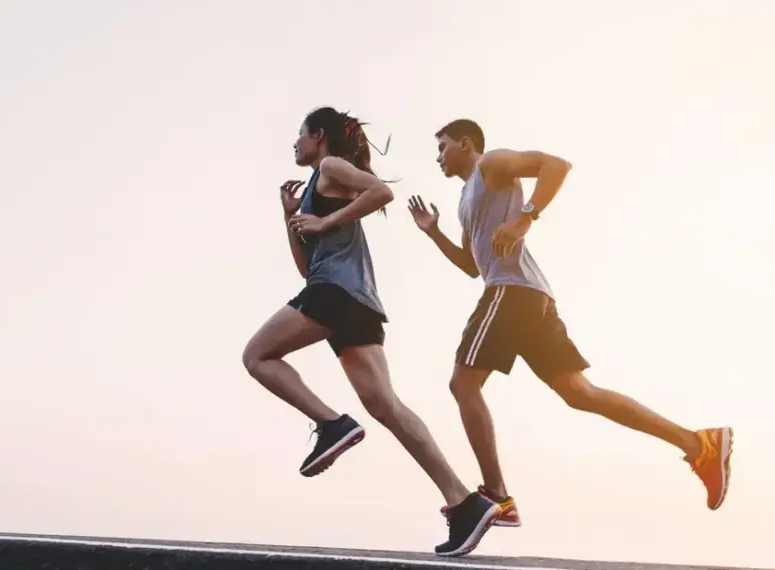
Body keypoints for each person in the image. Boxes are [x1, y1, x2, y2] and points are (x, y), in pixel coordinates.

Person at [408, 118, 733, 527]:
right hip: (530, 295)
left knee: (462, 383)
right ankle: (699, 444)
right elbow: (472, 267)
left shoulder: (491, 164)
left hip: (512, 292)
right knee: (581, 393)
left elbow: (556, 165)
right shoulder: (465, 200)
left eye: (442, 146)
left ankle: (498, 497)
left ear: (466, 143)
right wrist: (433, 232)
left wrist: (525, 219)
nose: (438, 156)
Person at [242, 107, 500, 557]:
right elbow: (309, 268)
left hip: (338, 296)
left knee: (257, 356)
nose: (295, 144)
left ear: (318, 136)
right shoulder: (312, 191)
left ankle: (331, 424)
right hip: (352, 302)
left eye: (299, 135)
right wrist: (292, 220)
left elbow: (381, 193)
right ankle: (464, 503)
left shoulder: (330, 166)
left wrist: (324, 221)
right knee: (388, 407)